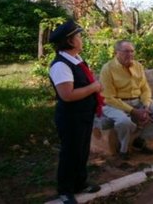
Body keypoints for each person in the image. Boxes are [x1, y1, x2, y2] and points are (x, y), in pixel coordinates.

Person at [49, 20, 103, 204]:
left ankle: (80, 183)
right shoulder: (60, 65)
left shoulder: (76, 59)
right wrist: (94, 86)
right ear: (70, 41)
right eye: (78, 36)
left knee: (81, 151)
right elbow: (68, 95)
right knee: (70, 153)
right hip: (71, 117)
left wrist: (90, 83)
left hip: (83, 114)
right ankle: (65, 190)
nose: (81, 39)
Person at [99, 40, 153, 160]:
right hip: (114, 104)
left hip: (138, 101)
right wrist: (134, 111)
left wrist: (146, 106)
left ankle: (140, 140)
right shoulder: (108, 68)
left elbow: (145, 89)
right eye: (126, 51)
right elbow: (109, 98)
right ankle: (123, 149)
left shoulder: (138, 66)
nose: (130, 54)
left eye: (132, 51)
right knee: (124, 122)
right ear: (117, 53)